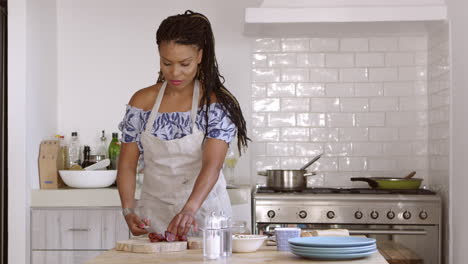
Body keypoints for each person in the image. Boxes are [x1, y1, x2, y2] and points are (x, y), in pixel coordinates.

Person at [117, 10, 249, 238]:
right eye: (166, 63)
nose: (175, 72)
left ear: (200, 56)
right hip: (153, 216)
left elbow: (212, 165)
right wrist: (128, 210)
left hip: (205, 216)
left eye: (184, 63)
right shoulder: (142, 102)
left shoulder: (214, 104)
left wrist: (189, 209)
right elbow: (127, 164)